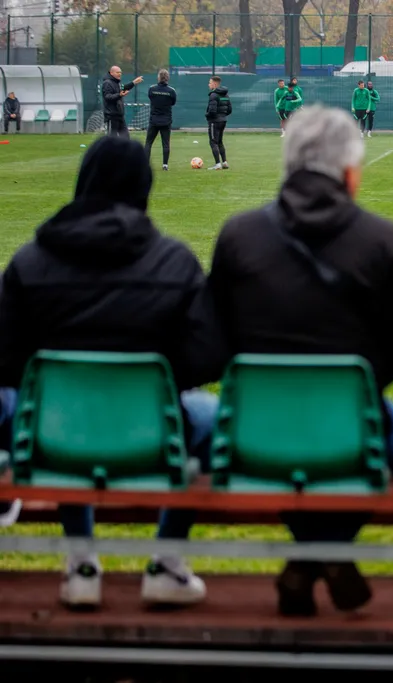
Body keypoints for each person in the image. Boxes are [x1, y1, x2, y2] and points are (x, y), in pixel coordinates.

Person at [207, 106, 393, 616]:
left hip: (256, 423)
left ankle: (306, 559)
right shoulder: (384, 240)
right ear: (349, 171)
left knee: (297, 446)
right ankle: (326, 552)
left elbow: (218, 336)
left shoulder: (239, 235)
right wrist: (356, 389)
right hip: (351, 419)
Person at [0, 136, 225, 608]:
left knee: (52, 410)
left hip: (51, 432)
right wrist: (155, 379)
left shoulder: (29, 262)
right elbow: (208, 356)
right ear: (143, 188)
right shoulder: (174, 261)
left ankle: (81, 560)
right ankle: (166, 561)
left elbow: (4, 356)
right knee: (216, 414)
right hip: (152, 430)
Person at [144, 69, 176, 171]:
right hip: (166, 120)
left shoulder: (152, 89)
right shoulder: (171, 91)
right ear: (168, 78)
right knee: (166, 143)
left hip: (154, 120)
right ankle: (165, 165)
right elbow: (173, 102)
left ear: (158, 77)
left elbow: (151, 98)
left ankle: (145, 164)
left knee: (148, 142)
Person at [102, 65, 144, 138]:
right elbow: (107, 97)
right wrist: (119, 95)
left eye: (120, 72)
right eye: (117, 72)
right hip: (112, 115)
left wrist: (134, 82)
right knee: (112, 139)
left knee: (126, 138)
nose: (120, 74)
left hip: (119, 115)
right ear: (111, 73)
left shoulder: (116, 82)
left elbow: (123, 88)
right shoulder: (107, 83)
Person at [205, 76, 232, 171]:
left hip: (214, 121)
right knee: (219, 141)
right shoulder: (226, 95)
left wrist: (207, 115)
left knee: (213, 142)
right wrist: (223, 115)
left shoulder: (213, 95)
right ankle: (224, 162)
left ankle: (217, 164)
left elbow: (212, 111)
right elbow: (229, 109)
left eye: (210, 82)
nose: (209, 84)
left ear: (215, 84)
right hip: (223, 120)